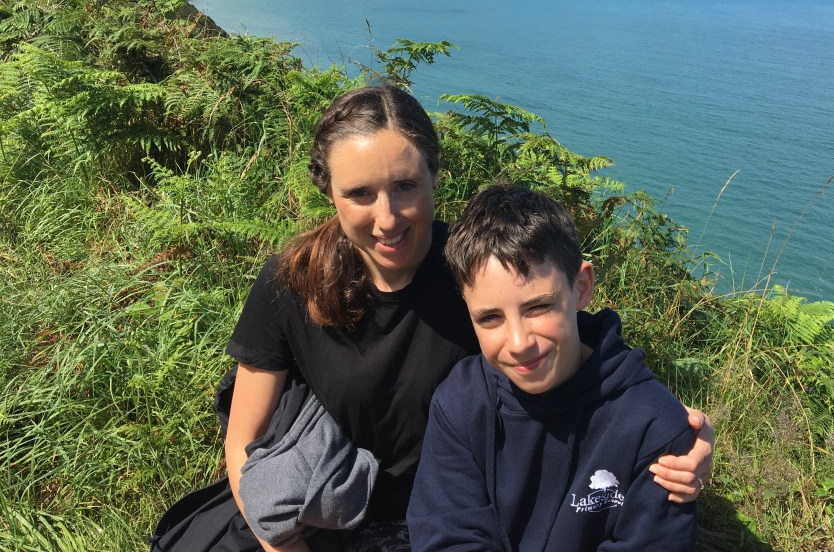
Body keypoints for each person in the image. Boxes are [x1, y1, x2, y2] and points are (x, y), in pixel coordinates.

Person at [175, 84, 711, 552]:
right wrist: (283, 545)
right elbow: (242, 443)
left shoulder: (474, 275)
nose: (387, 218)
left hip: (439, 514)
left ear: (435, 175)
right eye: (359, 194)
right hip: (317, 503)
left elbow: (572, 343)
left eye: (405, 186)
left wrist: (675, 437)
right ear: (329, 193)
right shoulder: (291, 282)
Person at [408, 184, 698, 552]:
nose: (519, 343)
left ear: (581, 287)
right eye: (490, 318)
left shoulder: (652, 428)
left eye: (537, 307)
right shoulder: (461, 403)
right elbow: (446, 536)